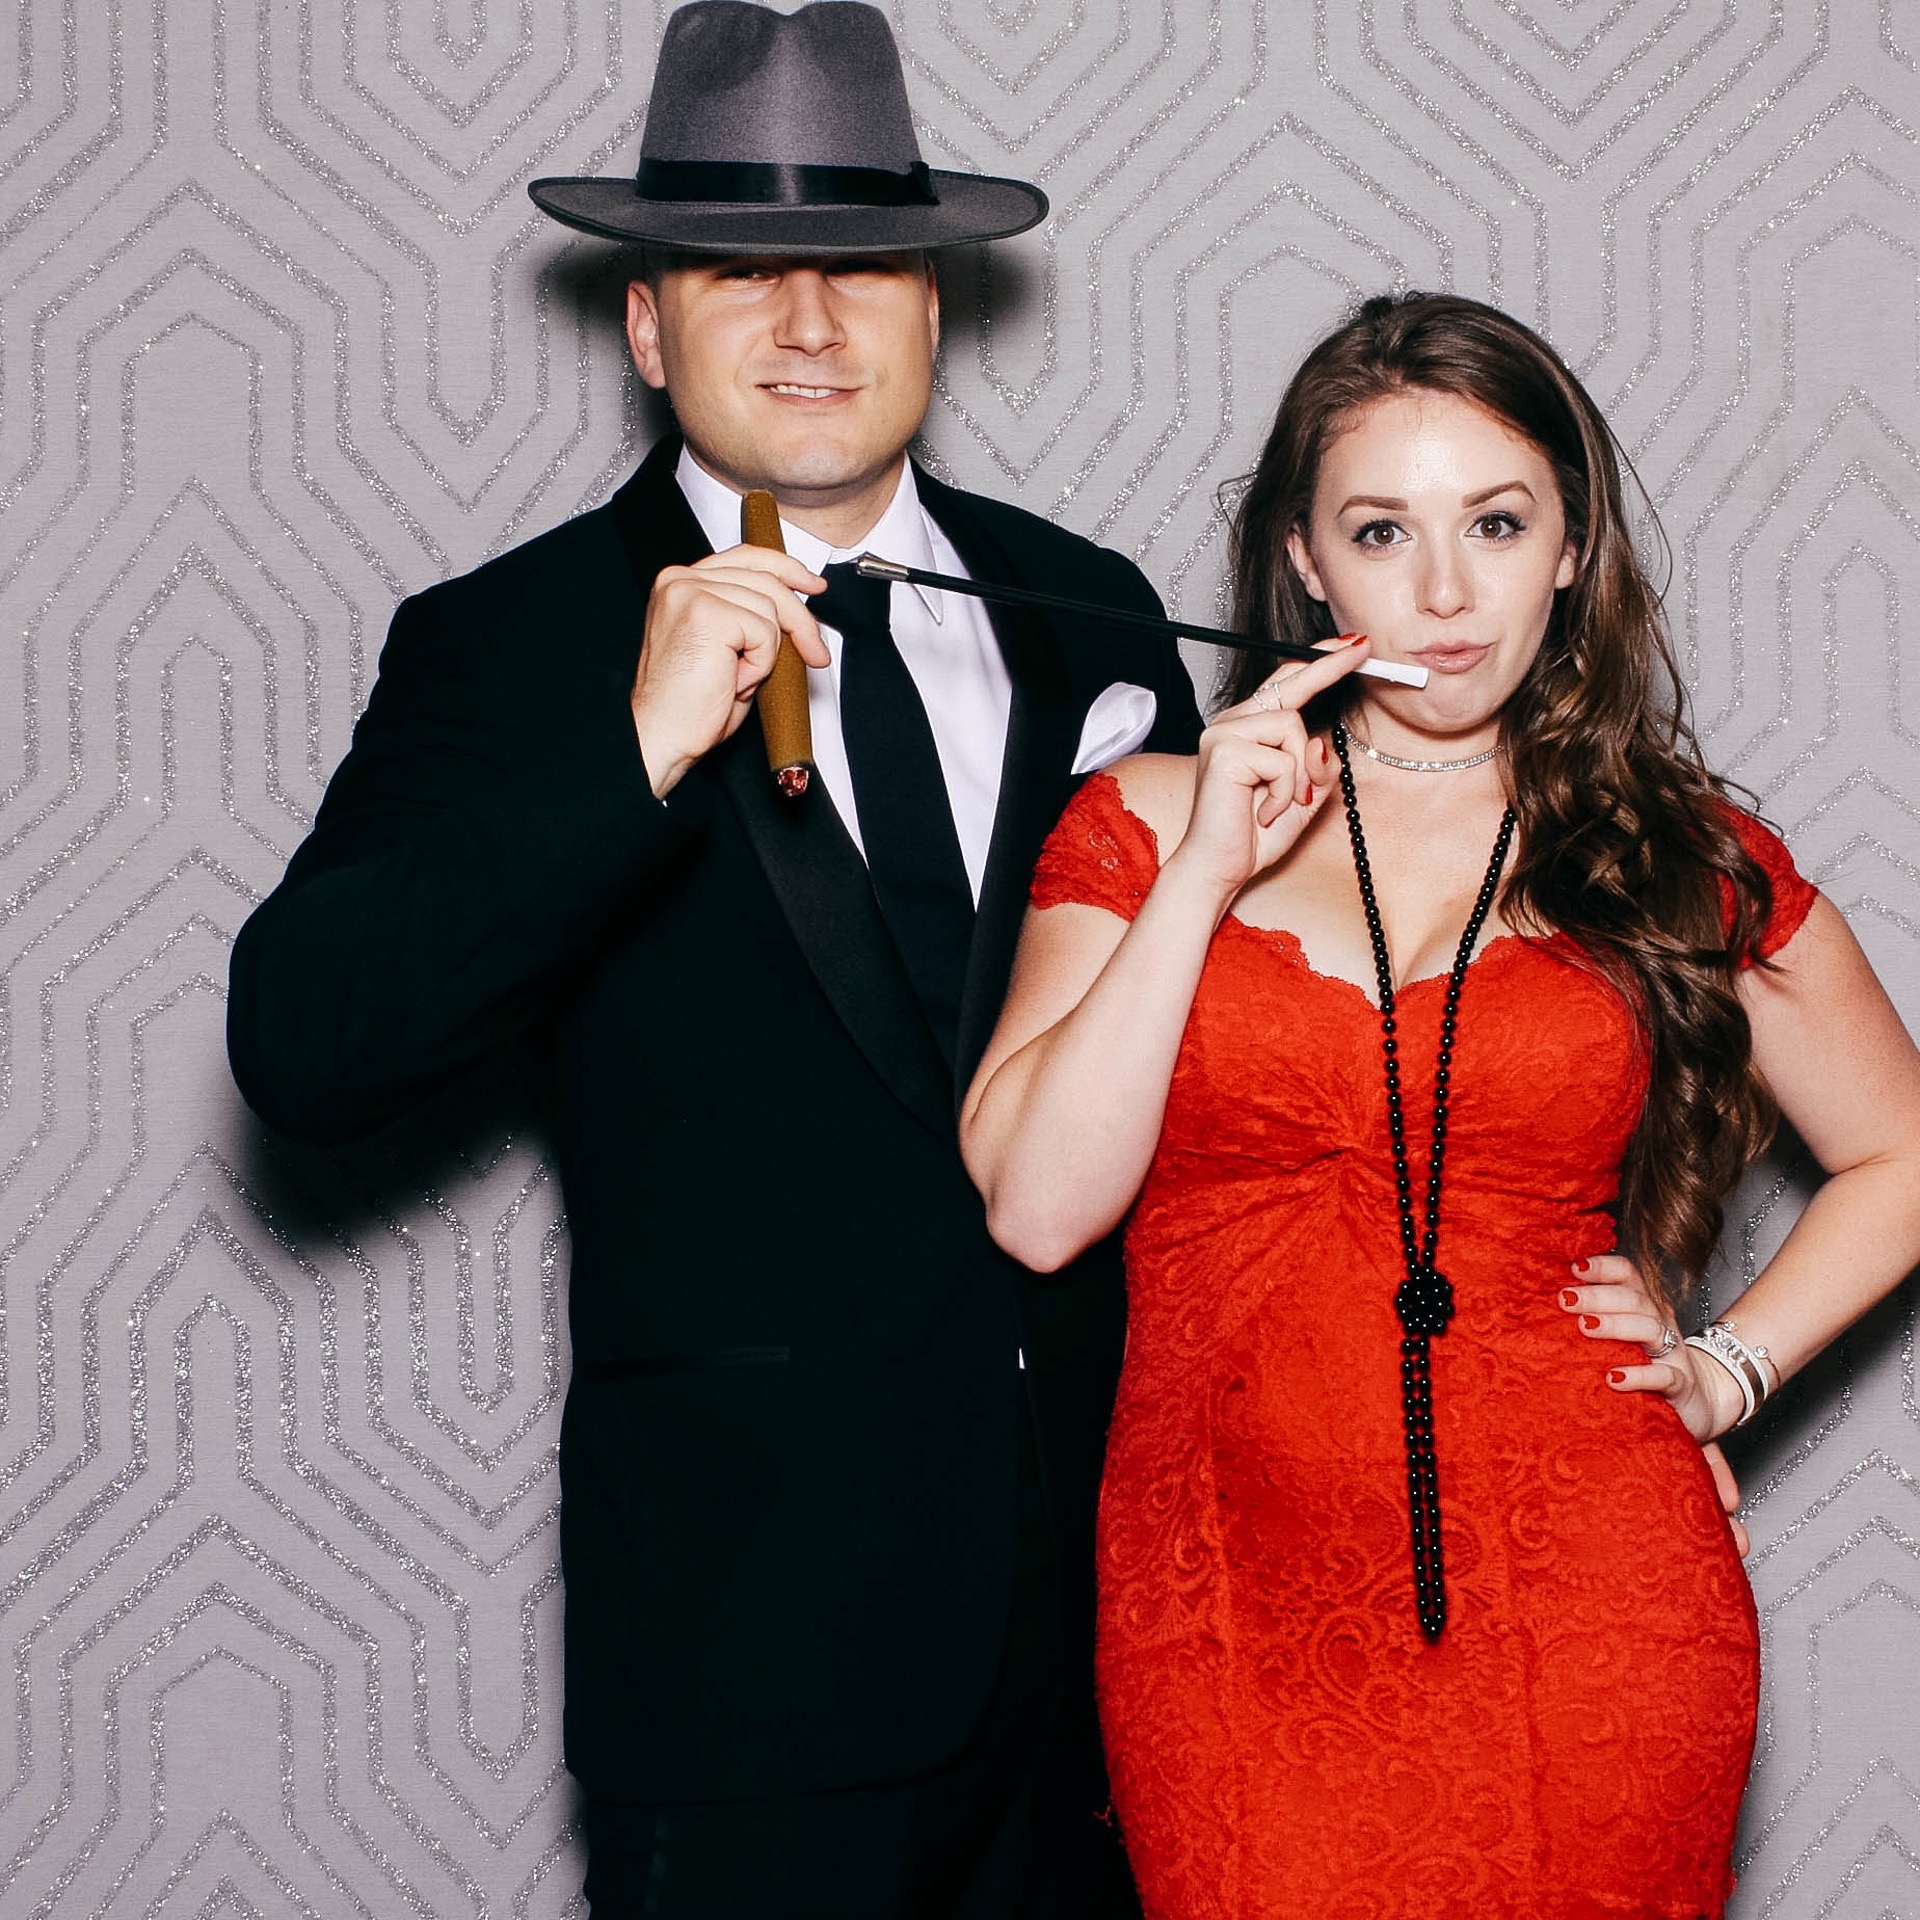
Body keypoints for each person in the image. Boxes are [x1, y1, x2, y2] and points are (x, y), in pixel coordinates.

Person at [225, 5, 1202, 1914]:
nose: (813, 323)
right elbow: (306, 1046)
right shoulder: (509, 643)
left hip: (1125, 1651)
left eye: (865, 269)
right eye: (742, 271)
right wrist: (638, 750)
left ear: (936, 307)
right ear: (646, 327)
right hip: (752, 1661)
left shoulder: (1094, 616)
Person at [960, 291, 1920, 1916]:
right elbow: (1044, 1211)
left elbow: (1901, 1149)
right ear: (1304, 562)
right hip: (1228, 1609)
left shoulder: (1671, 852)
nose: (1448, 592)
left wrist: (1727, 1366)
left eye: (1497, 523)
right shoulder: (1144, 822)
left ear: (1570, 548)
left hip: (1597, 1599)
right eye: (1381, 532)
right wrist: (1206, 871)